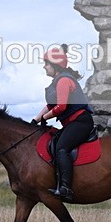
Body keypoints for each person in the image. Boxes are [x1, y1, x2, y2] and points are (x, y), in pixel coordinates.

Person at [33, 44, 94, 202]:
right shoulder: (56, 82)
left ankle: (65, 187)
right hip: (71, 123)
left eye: (46, 63)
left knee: (61, 148)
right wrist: (35, 120)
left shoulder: (64, 81)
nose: (44, 67)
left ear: (55, 65)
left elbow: (61, 107)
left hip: (80, 122)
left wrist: (45, 118)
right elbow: (50, 106)